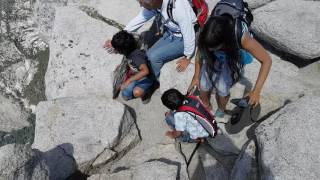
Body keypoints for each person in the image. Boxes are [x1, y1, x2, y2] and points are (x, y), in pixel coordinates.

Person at [188, 15, 272, 118]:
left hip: (231, 56)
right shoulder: (208, 31)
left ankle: (221, 109)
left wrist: (256, 91)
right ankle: (206, 105)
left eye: (215, 48)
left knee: (222, 87)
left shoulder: (243, 39)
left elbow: (266, 61)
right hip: (222, 50)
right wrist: (196, 76)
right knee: (203, 84)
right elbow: (201, 51)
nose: (211, 51)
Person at [104, 0, 197, 81]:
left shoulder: (178, 8)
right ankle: (149, 76)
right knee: (148, 56)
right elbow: (141, 18)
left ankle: (153, 80)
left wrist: (188, 56)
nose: (140, 5)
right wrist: (119, 38)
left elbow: (188, 32)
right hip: (172, 33)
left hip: (184, 38)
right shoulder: (155, 5)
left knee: (154, 57)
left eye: (141, 2)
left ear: (153, 1)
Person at [111, 30, 157, 101]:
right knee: (126, 95)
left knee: (136, 92)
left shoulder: (136, 57)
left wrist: (128, 81)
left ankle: (149, 90)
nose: (115, 50)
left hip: (146, 78)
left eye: (116, 49)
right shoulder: (130, 49)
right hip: (136, 75)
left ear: (123, 50)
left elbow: (145, 71)